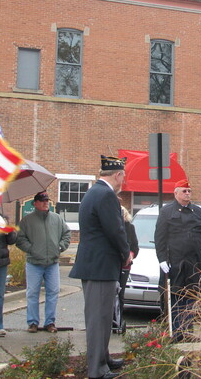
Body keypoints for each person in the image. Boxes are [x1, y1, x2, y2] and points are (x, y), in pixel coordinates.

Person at [69, 155, 131, 379]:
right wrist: (126, 254)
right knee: (98, 320)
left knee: (103, 317)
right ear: (117, 175)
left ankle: (103, 360)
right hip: (101, 265)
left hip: (96, 265)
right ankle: (97, 370)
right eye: (123, 175)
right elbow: (115, 230)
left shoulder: (95, 192)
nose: (124, 180)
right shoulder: (106, 195)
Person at [155, 179, 201, 342]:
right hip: (176, 260)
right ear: (176, 193)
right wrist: (162, 259)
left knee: (192, 296)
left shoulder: (197, 211)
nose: (187, 194)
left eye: (189, 191)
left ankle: (189, 331)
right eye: (184, 191)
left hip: (194, 261)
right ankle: (177, 332)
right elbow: (160, 237)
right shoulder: (167, 211)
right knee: (177, 295)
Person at [16, 191, 71, 334]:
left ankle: (50, 322)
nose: (45, 203)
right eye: (42, 201)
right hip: (34, 263)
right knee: (32, 293)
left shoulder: (57, 219)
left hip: (52, 263)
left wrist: (60, 247)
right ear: (35, 203)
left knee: (53, 292)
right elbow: (20, 239)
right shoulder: (27, 221)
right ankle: (33, 322)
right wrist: (32, 249)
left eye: (47, 200)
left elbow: (66, 234)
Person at [113, 205, 139, 335]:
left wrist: (130, 255)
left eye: (123, 213)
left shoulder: (130, 227)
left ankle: (118, 319)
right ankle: (109, 320)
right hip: (112, 265)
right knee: (110, 293)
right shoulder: (112, 227)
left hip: (125, 265)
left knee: (120, 294)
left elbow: (135, 246)